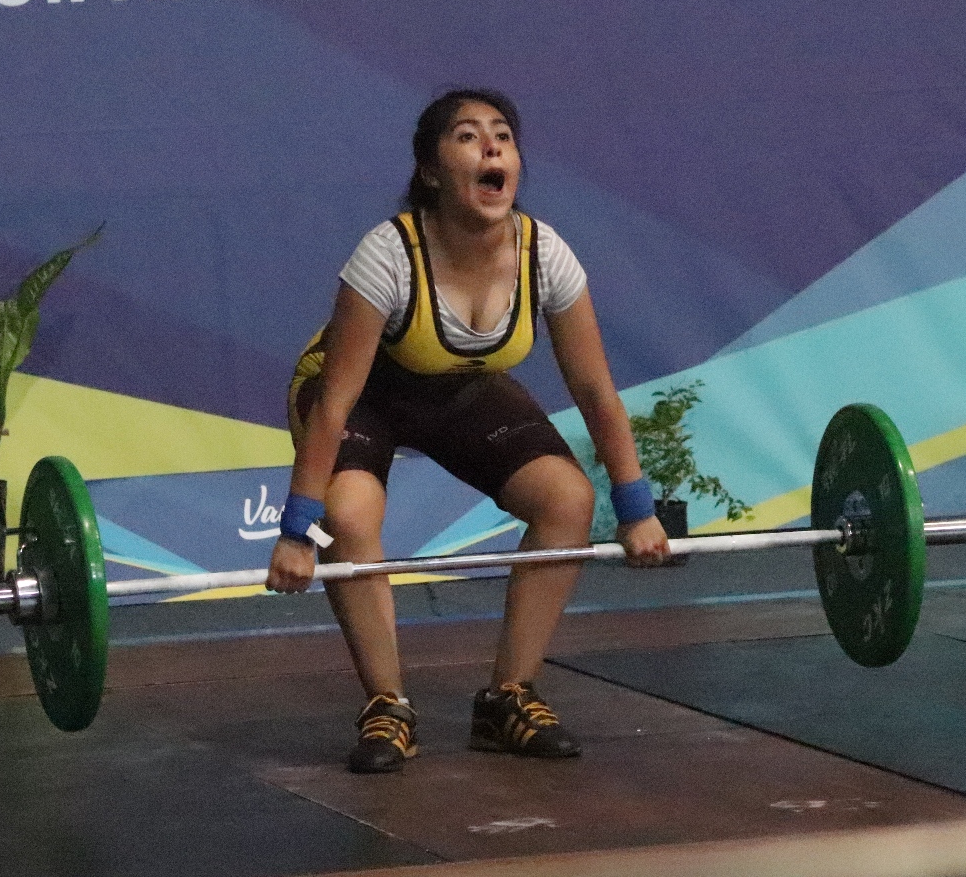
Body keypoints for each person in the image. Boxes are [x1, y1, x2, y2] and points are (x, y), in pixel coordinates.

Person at [267, 88, 670, 774]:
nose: (490, 147)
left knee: (566, 501)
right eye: (467, 136)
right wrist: (298, 532)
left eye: (503, 136)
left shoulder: (547, 256)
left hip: (460, 389)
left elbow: (596, 391)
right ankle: (388, 707)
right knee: (351, 514)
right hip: (364, 392)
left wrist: (637, 509)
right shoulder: (388, 254)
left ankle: (508, 698)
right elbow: (335, 404)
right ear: (430, 171)